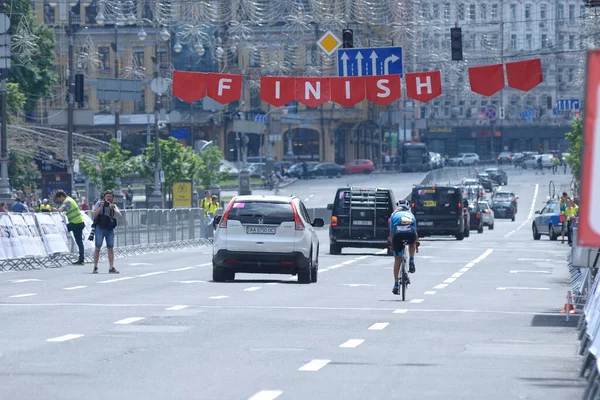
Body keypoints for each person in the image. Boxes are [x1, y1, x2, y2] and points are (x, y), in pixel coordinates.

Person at [389, 199, 419, 295]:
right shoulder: (411, 215)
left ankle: (396, 285)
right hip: (410, 234)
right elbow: (415, 232)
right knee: (412, 243)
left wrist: (391, 243)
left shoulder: (393, 215)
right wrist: (416, 242)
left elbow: (391, 233)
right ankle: (411, 260)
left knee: (397, 259)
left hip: (397, 235)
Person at [92, 190, 122, 274]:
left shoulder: (113, 205)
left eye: (110, 197)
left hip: (109, 229)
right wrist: (101, 207)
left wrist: (112, 208)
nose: (109, 198)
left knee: (110, 248)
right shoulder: (99, 203)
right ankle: (95, 267)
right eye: (107, 196)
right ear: (104, 197)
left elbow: (119, 214)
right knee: (97, 247)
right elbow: (94, 213)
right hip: (100, 228)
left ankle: (111, 267)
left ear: (112, 198)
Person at [53, 190, 85, 265]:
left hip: (75, 223)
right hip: (80, 222)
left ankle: (56, 251)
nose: (59, 201)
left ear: (61, 196)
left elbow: (60, 209)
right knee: (79, 242)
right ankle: (81, 259)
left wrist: (55, 210)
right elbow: (66, 211)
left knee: (60, 231)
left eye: (58, 199)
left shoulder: (66, 201)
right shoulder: (70, 199)